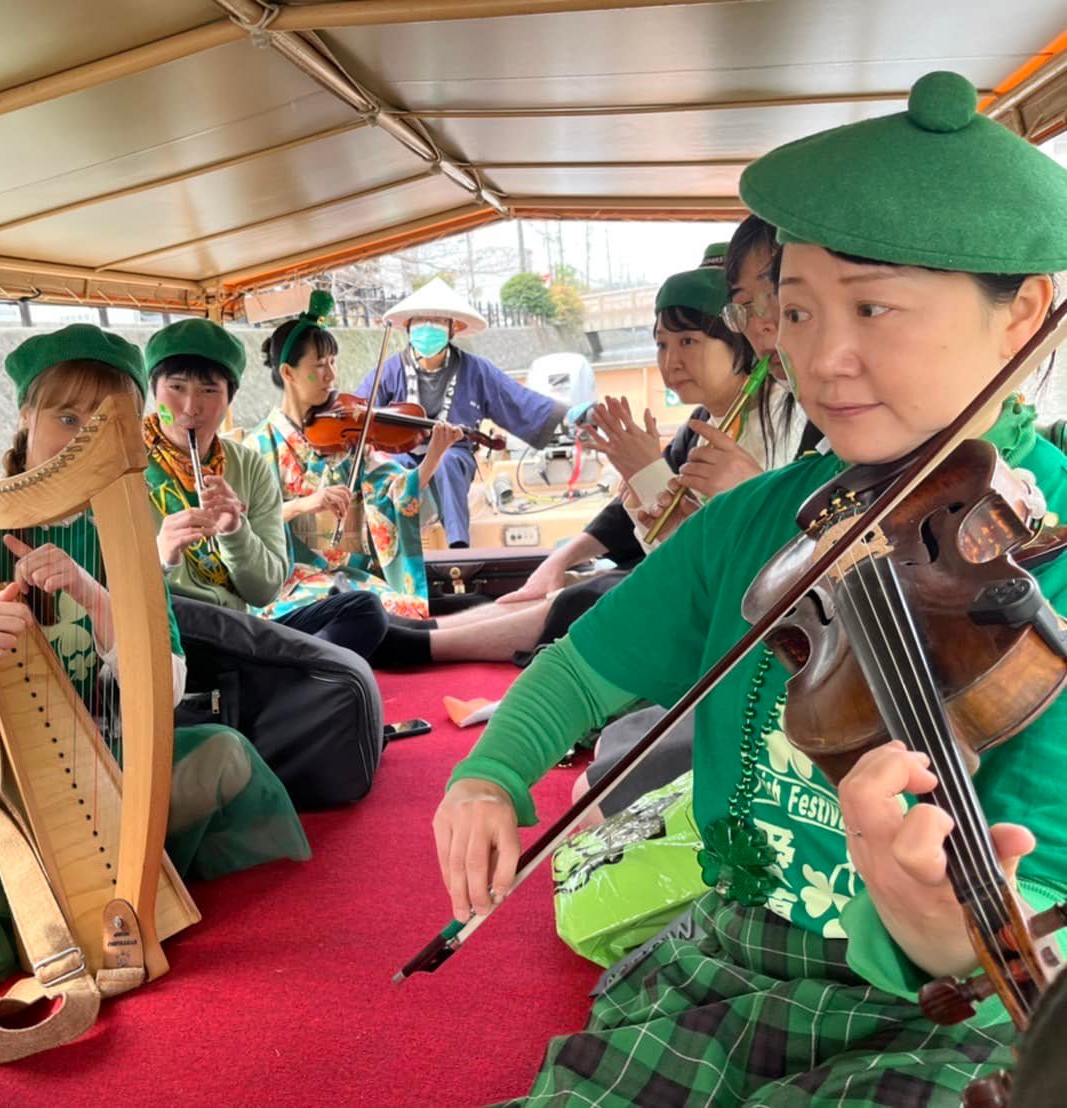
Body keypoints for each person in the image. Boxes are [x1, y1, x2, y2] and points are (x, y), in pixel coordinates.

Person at [433, 71, 1067, 1103]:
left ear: (1022, 315)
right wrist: (489, 773)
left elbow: (1041, 894)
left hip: (954, 1015)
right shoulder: (762, 517)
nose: (823, 358)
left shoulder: (1046, 549)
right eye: (796, 311)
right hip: (731, 960)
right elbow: (584, 668)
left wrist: (930, 926)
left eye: (872, 307)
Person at [0, 324, 308, 1001]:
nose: (82, 439)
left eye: (103, 426)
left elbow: (167, 689)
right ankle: (47, 889)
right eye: (67, 417)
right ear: (25, 416)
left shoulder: (120, 532)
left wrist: (96, 597)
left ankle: (54, 888)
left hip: (99, 762)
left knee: (224, 755)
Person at [376, 249, 809, 668]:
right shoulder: (704, 422)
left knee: (593, 595)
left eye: (689, 341)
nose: (671, 362)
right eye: (661, 345)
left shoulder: (784, 420)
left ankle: (423, 643)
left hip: (726, 604)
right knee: (576, 584)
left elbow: (707, 555)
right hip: (695, 580)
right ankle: (428, 628)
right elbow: (643, 528)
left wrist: (647, 473)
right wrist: (563, 557)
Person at [143, 318, 390, 660]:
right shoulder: (127, 467)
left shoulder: (248, 466)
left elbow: (264, 591)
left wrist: (235, 531)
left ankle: (281, 675)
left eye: (209, 391)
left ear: (229, 398)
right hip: (171, 632)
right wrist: (161, 557)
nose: (190, 408)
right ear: (153, 391)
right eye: (176, 388)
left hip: (236, 631)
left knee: (365, 610)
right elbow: (110, 593)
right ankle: (297, 675)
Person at [248, 292, 462, 625]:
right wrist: (304, 505)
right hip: (286, 585)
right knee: (361, 610)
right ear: (288, 373)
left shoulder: (345, 437)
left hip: (344, 575)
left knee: (395, 607)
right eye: (320, 365)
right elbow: (247, 525)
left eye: (333, 362)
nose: (331, 375)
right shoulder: (257, 447)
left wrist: (433, 456)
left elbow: (392, 493)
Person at [355, 278, 569, 547]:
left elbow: (516, 399)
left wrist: (569, 415)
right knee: (391, 468)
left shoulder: (477, 369)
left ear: (453, 327)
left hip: (454, 453)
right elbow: (359, 409)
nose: (428, 327)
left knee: (447, 463)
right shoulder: (389, 370)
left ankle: (458, 546)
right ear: (408, 326)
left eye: (437, 321)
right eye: (420, 320)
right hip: (403, 454)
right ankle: (388, 548)